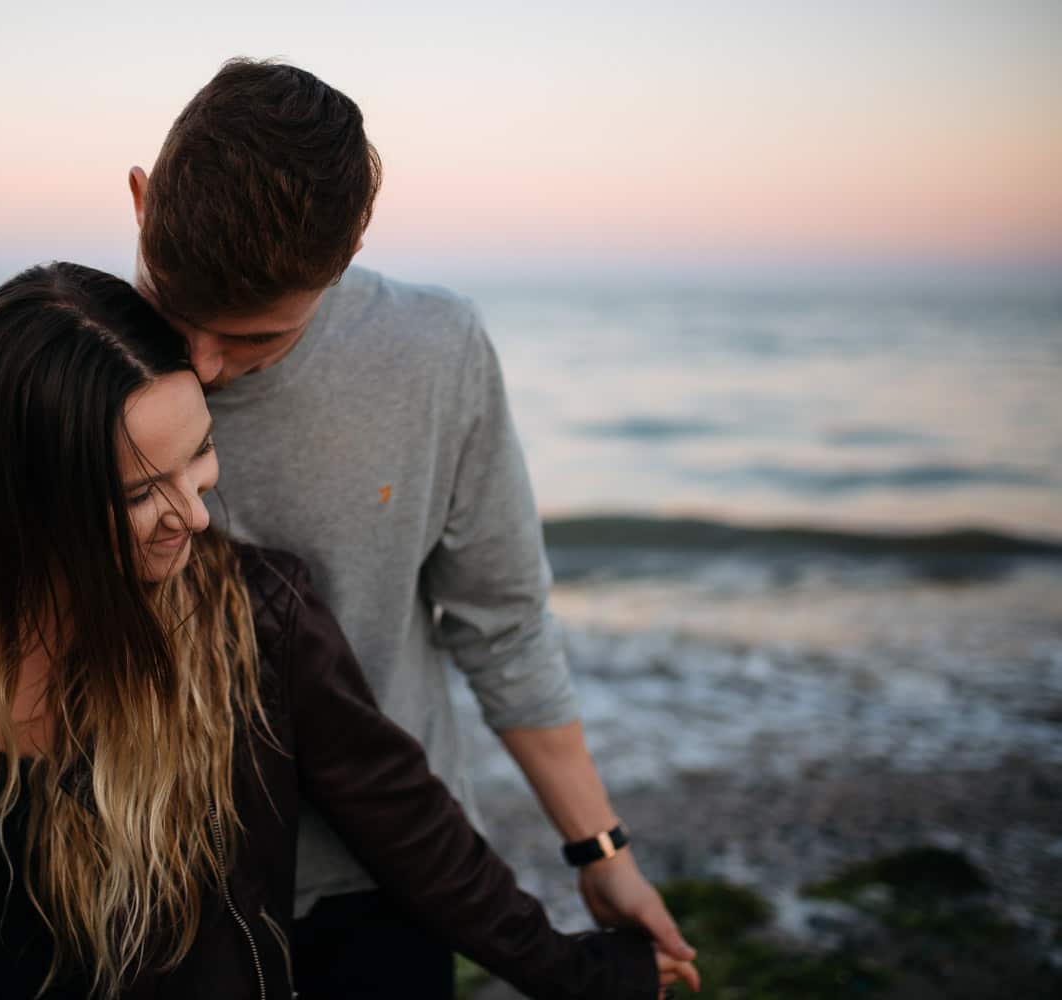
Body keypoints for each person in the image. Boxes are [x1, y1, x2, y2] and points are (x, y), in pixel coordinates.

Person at [0, 262, 693, 999]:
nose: (196, 515)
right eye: (139, 492)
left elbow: (412, 826)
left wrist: (589, 972)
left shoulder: (250, 623)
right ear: (26, 502)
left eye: (199, 451)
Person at [128, 59, 699, 999]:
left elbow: (501, 621)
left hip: (389, 873)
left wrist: (600, 850)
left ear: (347, 254)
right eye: (178, 309)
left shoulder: (435, 353)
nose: (203, 366)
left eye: (257, 339)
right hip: (144, 877)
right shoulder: (68, 361)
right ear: (143, 202)